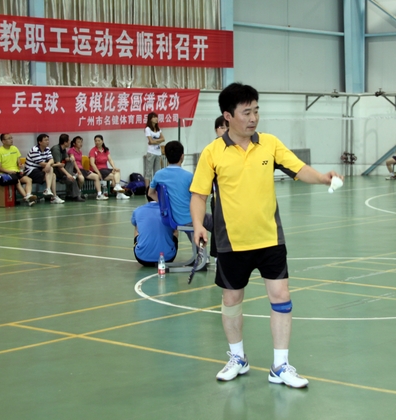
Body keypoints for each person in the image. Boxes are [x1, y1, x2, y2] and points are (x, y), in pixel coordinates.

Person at [189, 83, 343, 389]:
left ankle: (280, 365)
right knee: (231, 299)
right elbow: (199, 194)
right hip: (231, 241)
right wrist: (198, 225)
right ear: (228, 116)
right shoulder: (212, 152)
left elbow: (298, 169)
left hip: (270, 238)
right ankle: (237, 358)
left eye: (256, 111)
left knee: (281, 297)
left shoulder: (269, 144)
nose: (253, 118)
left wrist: (322, 178)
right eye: (246, 112)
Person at [131, 189, 179, 267]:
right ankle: (166, 249)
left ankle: (144, 248)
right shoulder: (169, 210)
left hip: (142, 258)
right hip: (167, 258)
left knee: (137, 226)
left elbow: (134, 224)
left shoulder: (138, 210)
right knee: (175, 229)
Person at [0, 133, 37, 206]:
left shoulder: (15, 148)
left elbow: (19, 162)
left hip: (16, 172)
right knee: (17, 181)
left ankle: (28, 195)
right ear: (3, 141)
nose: (11, 140)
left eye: (11, 138)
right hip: (6, 174)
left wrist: (21, 166)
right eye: (9, 138)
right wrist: (9, 171)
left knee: (28, 180)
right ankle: (27, 198)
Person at [209, 116, 229, 262]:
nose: (225, 130)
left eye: (227, 127)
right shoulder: (212, 150)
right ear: (216, 130)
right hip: (217, 196)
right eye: (222, 127)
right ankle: (217, 256)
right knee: (218, 226)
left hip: (233, 196)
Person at [24, 134, 65, 204]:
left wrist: (49, 164)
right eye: (45, 140)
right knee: (51, 170)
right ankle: (50, 192)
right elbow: (41, 163)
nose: (47, 141)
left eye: (48, 140)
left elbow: (51, 160)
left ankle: (53, 195)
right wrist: (54, 165)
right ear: (40, 142)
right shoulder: (35, 150)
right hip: (31, 171)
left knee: (53, 175)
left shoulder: (47, 149)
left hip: (40, 169)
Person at [89, 134, 130, 199]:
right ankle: (119, 192)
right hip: (98, 170)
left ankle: (117, 188)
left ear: (102, 141)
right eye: (96, 141)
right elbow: (92, 163)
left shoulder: (105, 150)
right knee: (114, 177)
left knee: (117, 171)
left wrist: (114, 167)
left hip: (105, 169)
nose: (97, 142)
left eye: (99, 141)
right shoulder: (93, 151)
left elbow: (110, 160)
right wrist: (98, 173)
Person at [69, 136, 106, 201]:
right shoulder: (71, 150)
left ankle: (99, 194)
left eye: (81, 142)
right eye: (79, 142)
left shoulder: (80, 152)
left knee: (96, 176)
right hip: (74, 169)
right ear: (74, 143)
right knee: (81, 179)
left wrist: (86, 170)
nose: (81, 144)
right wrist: (78, 170)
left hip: (81, 169)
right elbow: (73, 161)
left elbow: (80, 163)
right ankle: (78, 193)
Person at [51, 134, 85, 202]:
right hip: (55, 170)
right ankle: (67, 176)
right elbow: (58, 165)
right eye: (69, 140)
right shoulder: (56, 149)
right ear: (65, 142)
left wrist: (71, 158)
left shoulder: (63, 149)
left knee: (71, 163)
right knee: (71, 177)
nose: (70, 142)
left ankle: (75, 195)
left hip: (62, 169)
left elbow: (66, 159)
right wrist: (68, 174)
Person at [144, 112, 165, 188]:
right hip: (151, 153)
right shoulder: (147, 129)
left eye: (156, 117)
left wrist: (154, 141)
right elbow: (150, 141)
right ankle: (147, 189)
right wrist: (158, 140)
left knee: (157, 172)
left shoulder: (158, 129)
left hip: (158, 153)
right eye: (154, 117)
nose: (156, 119)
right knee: (148, 172)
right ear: (150, 119)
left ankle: (156, 188)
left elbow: (163, 139)